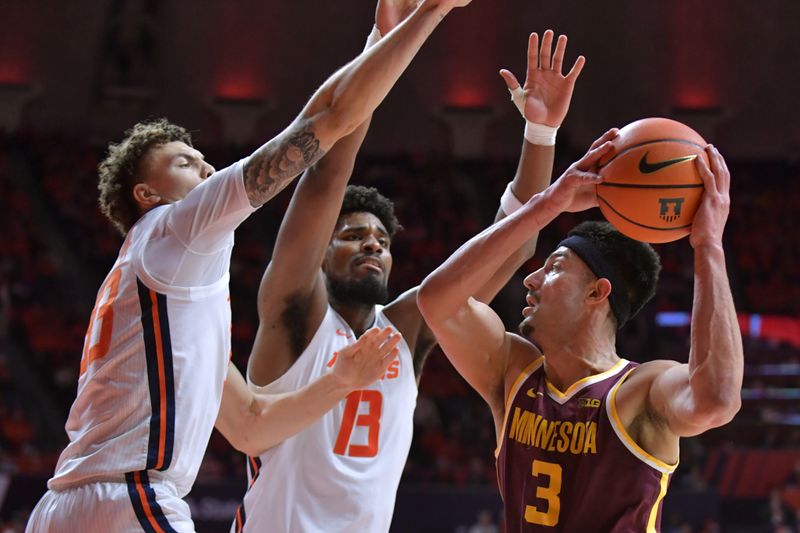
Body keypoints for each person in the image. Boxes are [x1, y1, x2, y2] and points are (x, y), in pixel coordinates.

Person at [25, 0, 472, 530]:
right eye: (185, 162)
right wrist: (419, 18)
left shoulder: (160, 294)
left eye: (202, 158)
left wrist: (343, 381)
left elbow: (252, 427)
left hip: (66, 505)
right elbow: (328, 123)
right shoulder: (176, 227)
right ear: (146, 193)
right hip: (131, 499)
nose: (206, 166)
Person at [239, 23, 586, 532]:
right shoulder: (292, 313)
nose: (373, 244)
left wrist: (540, 133)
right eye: (353, 235)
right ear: (320, 253)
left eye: (381, 239)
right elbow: (326, 174)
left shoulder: (405, 331)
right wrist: (381, 40)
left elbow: (514, 247)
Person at [417, 130, 744, 531]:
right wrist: (547, 205)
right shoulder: (513, 371)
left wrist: (709, 245)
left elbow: (719, 400)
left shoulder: (641, 390)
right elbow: (436, 301)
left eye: (553, 267)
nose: (530, 280)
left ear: (596, 292)